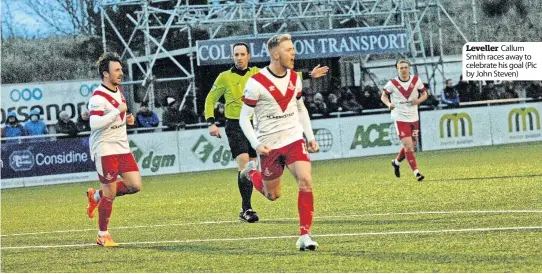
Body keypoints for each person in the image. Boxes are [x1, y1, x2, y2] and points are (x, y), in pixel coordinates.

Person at [204, 41, 328, 223]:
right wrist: (211, 122)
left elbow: (286, 76)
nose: (239, 58)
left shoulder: (257, 74)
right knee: (244, 163)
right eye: (236, 55)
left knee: (253, 166)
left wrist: (310, 74)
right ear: (232, 57)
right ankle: (247, 208)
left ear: (249, 56)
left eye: (242, 54)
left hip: (258, 126)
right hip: (235, 125)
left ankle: (247, 197)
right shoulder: (224, 77)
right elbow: (210, 99)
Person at [239, 34, 320, 251]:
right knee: (272, 195)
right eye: (288, 50)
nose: (293, 53)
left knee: (305, 179)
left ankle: (305, 235)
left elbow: (301, 108)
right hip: (269, 145)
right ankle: (250, 173)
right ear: (276, 54)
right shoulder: (256, 83)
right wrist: (256, 144)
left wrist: (309, 136)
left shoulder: (295, 78)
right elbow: (243, 117)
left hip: (294, 139)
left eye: (293, 49)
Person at [85, 52, 141, 247]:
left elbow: (115, 118)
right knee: (110, 194)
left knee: (135, 185)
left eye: (121, 69)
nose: (121, 73)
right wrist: (119, 111)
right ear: (105, 74)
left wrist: (126, 119)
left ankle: (96, 196)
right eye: (117, 70)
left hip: (122, 147)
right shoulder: (98, 96)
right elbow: (94, 123)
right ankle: (102, 234)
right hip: (105, 148)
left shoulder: (118, 90)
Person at [381, 59, 428, 182]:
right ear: (397, 69)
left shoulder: (416, 80)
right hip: (400, 117)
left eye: (405, 67)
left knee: (412, 145)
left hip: (414, 117)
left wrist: (418, 101)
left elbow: (424, 94)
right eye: (401, 68)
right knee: (408, 146)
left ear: (409, 68)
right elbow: (383, 96)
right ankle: (417, 173)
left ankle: (396, 162)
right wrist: (388, 104)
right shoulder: (392, 83)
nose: (403, 69)